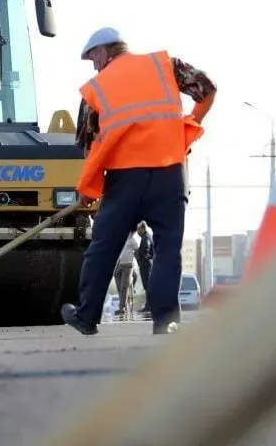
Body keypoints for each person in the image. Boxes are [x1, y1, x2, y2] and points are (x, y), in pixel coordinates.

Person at [60, 27, 216, 336]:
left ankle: (87, 317)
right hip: (170, 173)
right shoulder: (166, 66)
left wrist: (87, 190)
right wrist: (191, 123)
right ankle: (166, 321)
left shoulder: (96, 89)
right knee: (168, 249)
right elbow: (207, 89)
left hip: (125, 181)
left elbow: (88, 146)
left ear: (103, 52)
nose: (94, 66)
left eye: (93, 59)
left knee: (104, 247)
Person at [113, 231, 138, 317]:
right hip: (117, 265)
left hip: (128, 264)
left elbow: (137, 247)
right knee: (119, 287)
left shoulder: (131, 238)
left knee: (124, 287)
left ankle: (122, 308)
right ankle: (123, 305)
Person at [134, 221, 154, 314]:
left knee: (148, 286)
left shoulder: (146, 237)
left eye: (139, 229)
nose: (138, 231)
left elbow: (146, 249)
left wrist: (141, 259)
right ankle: (148, 305)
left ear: (143, 228)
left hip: (146, 264)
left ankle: (149, 306)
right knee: (147, 286)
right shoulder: (147, 237)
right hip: (147, 263)